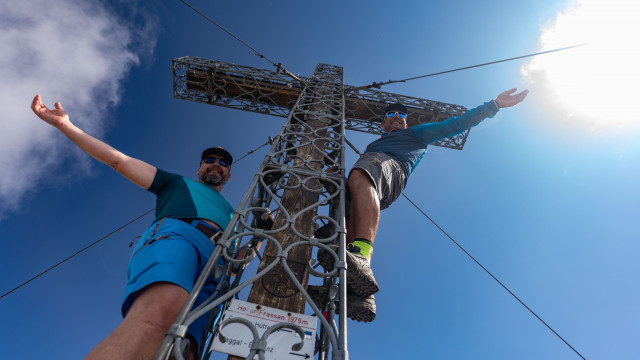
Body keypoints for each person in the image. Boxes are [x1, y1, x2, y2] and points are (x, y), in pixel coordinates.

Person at [31, 94, 235, 359]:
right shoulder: (176, 183)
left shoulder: (233, 212)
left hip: (216, 263)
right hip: (177, 235)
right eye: (209, 160)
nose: (216, 164)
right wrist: (66, 126)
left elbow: (240, 257)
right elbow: (118, 160)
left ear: (228, 174)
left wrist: (262, 233)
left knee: (186, 348)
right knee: (159, 315)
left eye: (222, 163)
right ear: (199, 168)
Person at [310, 88, 529, 322]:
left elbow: (456, 124)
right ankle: (355, 292)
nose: (397, 116)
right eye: (391, 113)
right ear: (382, 123)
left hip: (389, 167)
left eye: (401, 114)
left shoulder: (415, 134)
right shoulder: (373, 145)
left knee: (362, 170)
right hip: (370, 178)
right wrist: (337, 182)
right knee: (344, 208)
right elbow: (357, 184)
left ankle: (361, 255)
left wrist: (493, 105)